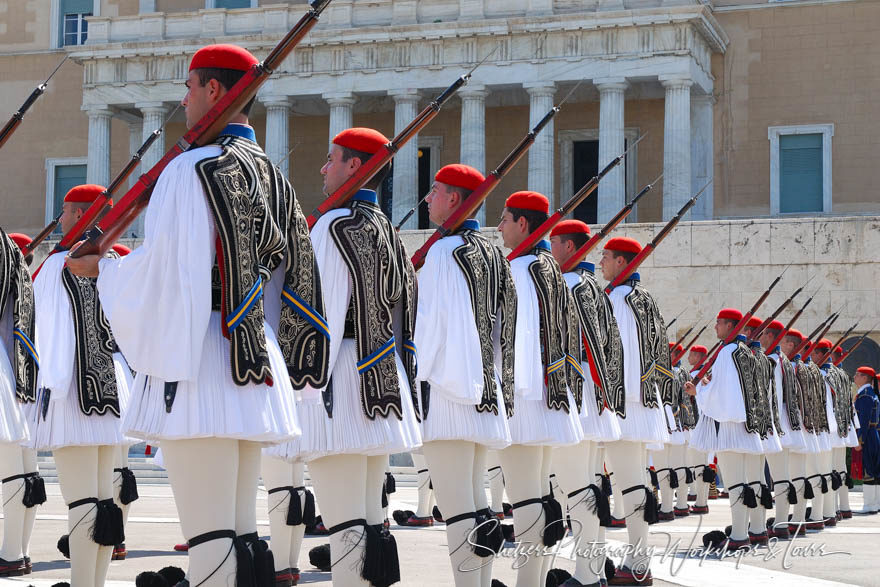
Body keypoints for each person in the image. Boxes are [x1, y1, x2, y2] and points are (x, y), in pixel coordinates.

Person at [67, 44, 306, 585]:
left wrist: (100, 273)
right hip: (256, 359)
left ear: (215, 91)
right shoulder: (273, 175)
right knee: (243, 534)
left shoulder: (191, 169)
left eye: (191, 86)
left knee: (210, 537)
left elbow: (167, 275)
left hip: (200, 362)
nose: (184, 98)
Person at [294, 126, 422, 587]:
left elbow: (317, 314)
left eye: (332, 158)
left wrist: (303, 388)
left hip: (340, 384)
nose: (324, 168)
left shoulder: (333, 226)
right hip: (383, 382)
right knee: (368, 520)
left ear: (354, 166)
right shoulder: (386, 229)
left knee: (346, 523)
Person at [416, 163, 515, 586]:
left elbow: (429, 328)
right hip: (485, 390)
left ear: (454, 199)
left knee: (458, 507)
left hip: (449, 392)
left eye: (434, 190)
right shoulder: (492, 251)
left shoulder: (443, 251)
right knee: (478, 505)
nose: (427, 198)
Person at [30, 184, 132, 586]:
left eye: (68, 212)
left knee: (82, 500)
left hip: (70, 390)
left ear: (79, 215)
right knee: (104, 501)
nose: (63, 220)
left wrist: (45, 392)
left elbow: (43, 331)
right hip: (111, 386)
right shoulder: (114, 263)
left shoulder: (57, 265)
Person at [497, 192, 584, 586]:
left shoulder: (521, 269)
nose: (499, 227)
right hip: (552, 396)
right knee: (542, 498)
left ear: (524, 225)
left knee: (526, 499)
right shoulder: (550, 268)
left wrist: (506, 392)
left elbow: (515, 337)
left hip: (527, 397)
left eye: (505, 219)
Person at [549, 219, 623, 586]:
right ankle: (593, 570)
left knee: (575, 489)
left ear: (567, 247)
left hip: (574, 395)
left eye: (553, 244)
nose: (549, 251)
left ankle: (588, 575)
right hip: (595, 398)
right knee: (587, 487)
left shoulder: (567, 286)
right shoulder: (595, 286)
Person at [598, 236, 671, 585]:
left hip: (626, 404)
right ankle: (637, 557)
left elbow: (618, 352)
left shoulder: (620, 299)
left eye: (607, 258)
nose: (601, 263)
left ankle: (639, 563)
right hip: (642, 402)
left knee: (628, 484)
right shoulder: (646, 299)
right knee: (635, 482)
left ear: (623, 263)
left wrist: (611, 400)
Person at [685, 308, 765, 551]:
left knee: (735, 483)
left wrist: (697, 391)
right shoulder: (747, 353)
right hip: (749, 426)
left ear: (731, 326)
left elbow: (722, 394)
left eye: (719, 323)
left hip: (732, 427)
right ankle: (757, 530)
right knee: (750, 482)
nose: (715, 327)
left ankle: (740, 535)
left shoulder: (727, 352)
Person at [0, 230, 42, 577]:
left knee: (13, 467)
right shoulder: (11, 251)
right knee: (22, 469)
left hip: (8, 367)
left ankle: (12, 553)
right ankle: (18, 551)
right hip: (17, 367)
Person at [759, 320, 808, 539]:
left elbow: (769, 396)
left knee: (777, 476)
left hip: (773, 424)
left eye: (763, 334)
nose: (760, 338)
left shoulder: (771, 361)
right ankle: (787, 521)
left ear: (771, 337)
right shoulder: (785, 361)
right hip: (788, 424)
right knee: (784, 475)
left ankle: (779, 524)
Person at [854, 368, 880, 514]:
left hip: (867, 435)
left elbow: (863, 420)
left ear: (865, 378)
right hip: (873, 434)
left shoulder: (864, 395)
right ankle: (875, 504)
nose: (855, 377)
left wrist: (859, 440)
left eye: (857, 375)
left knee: (868, 470)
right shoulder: (870, 394)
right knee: (875, 470)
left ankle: (869, 505)